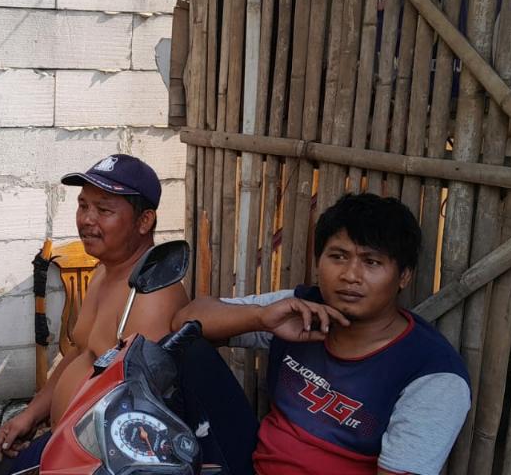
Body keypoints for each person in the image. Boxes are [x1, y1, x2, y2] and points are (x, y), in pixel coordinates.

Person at [173, 193, 470, 475]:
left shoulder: (433, 373)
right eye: (338, 257)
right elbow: (185, 321)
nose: (350, 275)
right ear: (319, 262)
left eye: (372, 262)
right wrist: (260, 318)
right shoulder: (303, 308)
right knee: (189, 349)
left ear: (403, 275)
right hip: (251, 464)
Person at [0, 154, 189, 475]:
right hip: (62, 442)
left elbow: (134, 418)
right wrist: (31, 415)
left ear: (144, 221)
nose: (87, 219)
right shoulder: (104, 271)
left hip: (94, 460)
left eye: (103, 210)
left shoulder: (151, 295)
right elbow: (79, 352)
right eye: (83, 205)